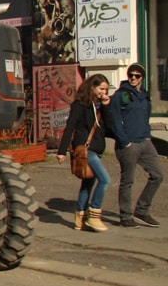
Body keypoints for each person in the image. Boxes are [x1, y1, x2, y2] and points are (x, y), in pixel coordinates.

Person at [56, 74, 114, 232]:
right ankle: (94, 215)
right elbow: (70, 127)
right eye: (101, 89)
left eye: (106, 90)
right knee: (105, 180)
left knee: (88, 183)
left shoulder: (100, 106)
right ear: (92, 87)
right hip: (86, 150)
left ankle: (80, 218)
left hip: (97, 149)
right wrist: (62, 151)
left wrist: (107, 107)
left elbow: (109, 127)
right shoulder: (80, 105)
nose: (103, 92)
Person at [108, 63, 163, 228]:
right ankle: (125, 216)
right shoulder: (120, 95)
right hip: (128, 144)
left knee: (158, 175)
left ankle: (142, 210)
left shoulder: (145, 96)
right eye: (130, 75)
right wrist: (124, 141)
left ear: (142, 78)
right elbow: (114, 120)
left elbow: (146, 117)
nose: (133, 78)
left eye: (137, 76)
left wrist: (147, 136)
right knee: (128, 181)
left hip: (144, 141)